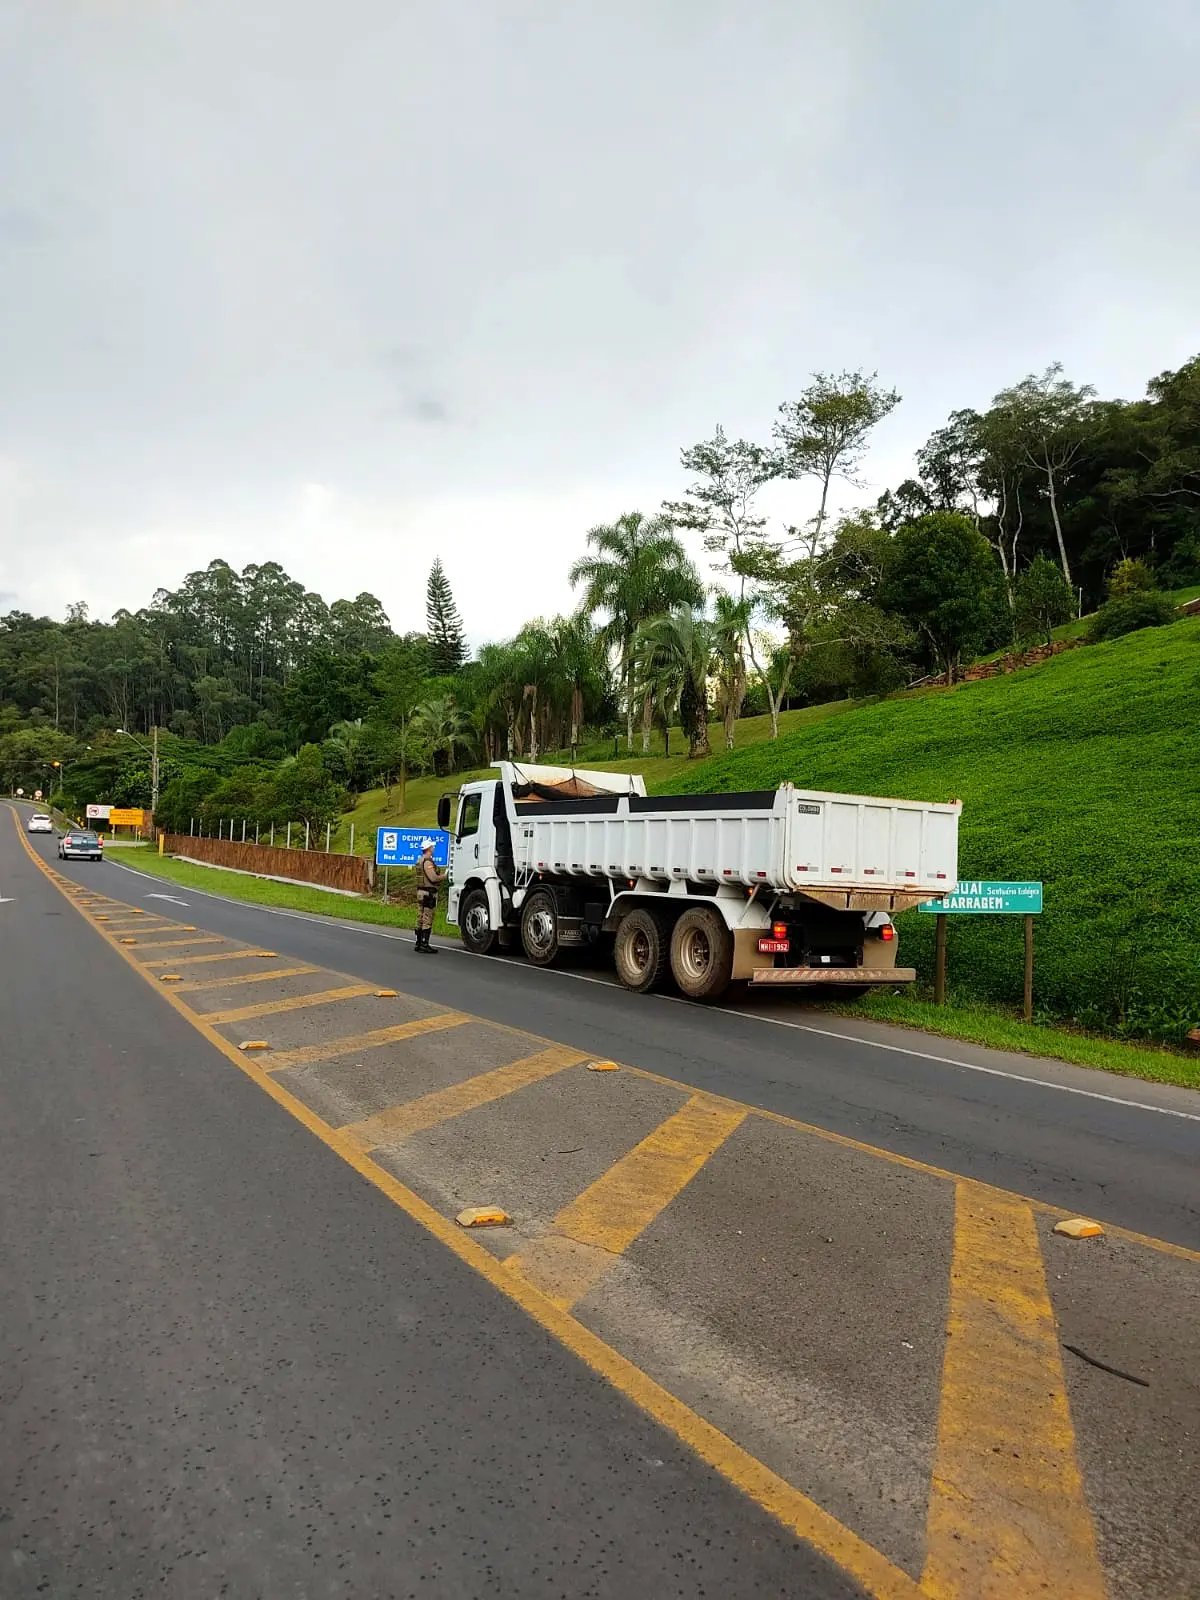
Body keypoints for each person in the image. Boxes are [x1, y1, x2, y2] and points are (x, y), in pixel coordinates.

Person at [413, 840, 444, 953]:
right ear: (429, 848)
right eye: (432, 847)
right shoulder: (427, 862)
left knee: (420, 917)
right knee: (427, 918)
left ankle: (418, 942)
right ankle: (424, 944)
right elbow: (433, 878)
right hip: (428, 893)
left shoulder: (419, 860)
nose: (433, 848)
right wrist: (444, 876)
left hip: (421, 892)